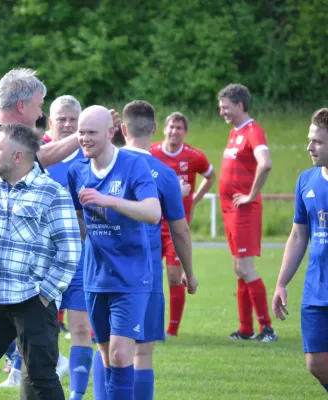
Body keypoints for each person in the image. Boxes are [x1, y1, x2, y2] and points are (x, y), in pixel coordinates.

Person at [0, 67, 94, 400]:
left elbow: (70, 252)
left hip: (30, 298)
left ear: (18, 155)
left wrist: (44, 294)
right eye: (40, 105)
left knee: (40, 374)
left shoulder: (50, 192)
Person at [67, 105, 161, 399]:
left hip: (131, 278)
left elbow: (153, 212)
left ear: (111, 132)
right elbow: (79, 220)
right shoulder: (76, 170)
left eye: (91, 132)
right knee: (107, 358)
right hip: (95, 278)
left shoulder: (134, 165)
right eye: (81, 132)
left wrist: (109, 201)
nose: (84, 138)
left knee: (122, 356)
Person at [111, 100, 198, 400]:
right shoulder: (164, 173)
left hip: (101, 271)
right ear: (155, 129)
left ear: (123, 129)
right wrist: (189, 273)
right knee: (141, 352)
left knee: (105, 350)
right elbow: (180, 231)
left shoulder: (102, 164)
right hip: (143, 272)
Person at [272, 108, 328, 393]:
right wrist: (282, 282)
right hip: (316, 289)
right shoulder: (306, 181)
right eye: (310, 140)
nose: (309, 147)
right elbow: (297, 236)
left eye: (317, 141)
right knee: (316, 364)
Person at [217, 83, 276, 342]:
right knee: (238, 268)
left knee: (246, 267)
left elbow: (266, 163)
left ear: (240, 105)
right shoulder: (234, 132)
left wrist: (251, 195)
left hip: (244, 210)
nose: (222, 112)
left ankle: (267, 328)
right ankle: (245, 329)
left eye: (225, 107)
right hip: (230, 209)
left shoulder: (253, 131)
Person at [44, 95, 92, 400]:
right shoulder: (37, 154)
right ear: (50, 121)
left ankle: (76, 394)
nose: (67, 124)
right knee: (41, 332)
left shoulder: (89, 156)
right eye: (61, 118)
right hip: (41, 259)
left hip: (79, 256)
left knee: (81, 328)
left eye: (73, 119)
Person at [150, 112, 215, 336]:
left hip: (176, 227)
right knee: (147, 273)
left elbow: (211, 175)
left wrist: (194, 199)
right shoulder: (152, 152)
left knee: (174, 277)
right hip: (152, 223)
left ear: (185, 132)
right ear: (163, 129)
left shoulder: (194, 156)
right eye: (171, 127)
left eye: (179, 128)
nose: (174, 131)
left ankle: (172, 330)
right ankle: (149, 323)